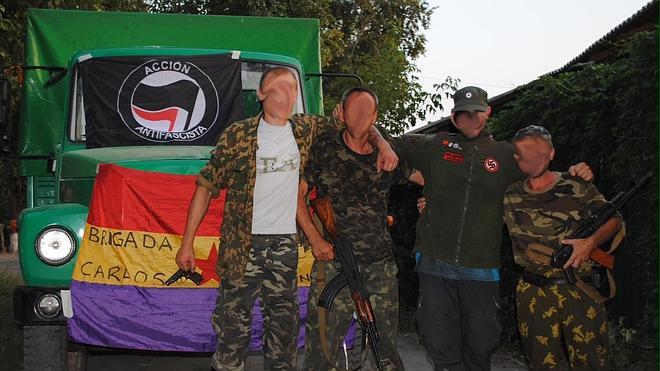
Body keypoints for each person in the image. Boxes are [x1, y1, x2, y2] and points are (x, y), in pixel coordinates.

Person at [175, 67, 398, 371]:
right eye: (277, 87)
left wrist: (384, 144)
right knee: (231, 333)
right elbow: (205, 187)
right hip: (242, 248)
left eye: (292, 87)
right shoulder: (237, 136)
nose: (286, 93)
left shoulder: (306, 129)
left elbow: (360, 124)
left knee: (284, 336)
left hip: (284, 249)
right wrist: (187, 244)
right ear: (261, 94)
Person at [395, 86, 593, 370]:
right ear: (453, 116)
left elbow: (540, 173)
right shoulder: (435, 145)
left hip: (481, 268)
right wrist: (421, 180)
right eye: (463, 114)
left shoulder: (505, 155)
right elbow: (388, 147)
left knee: (481, 344)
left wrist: (575, 171)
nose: (470, 120)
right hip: (434, 262)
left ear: (487, 113)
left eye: (476, 113)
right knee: (441, 345)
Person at [297, 87, 424, 370]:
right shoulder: (325, 146)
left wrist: (435, 200)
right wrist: (315, 238)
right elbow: (299, 193)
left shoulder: (387, 155)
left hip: (379, 265)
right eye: (353, 110)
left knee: (385, 348)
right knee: (322, 353)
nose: (360, 118)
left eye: (367, 112)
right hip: (334, 265)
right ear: (340, 113)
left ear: (376, 116)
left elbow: (424, 177)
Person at [503, 125, 622, 370]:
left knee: (591, 363)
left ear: (551, 153)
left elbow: (614, 219)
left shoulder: (577, 185)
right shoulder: (509, 193)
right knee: (541, 363)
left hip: (579, 289)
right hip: (533, 293)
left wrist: (589, 242)